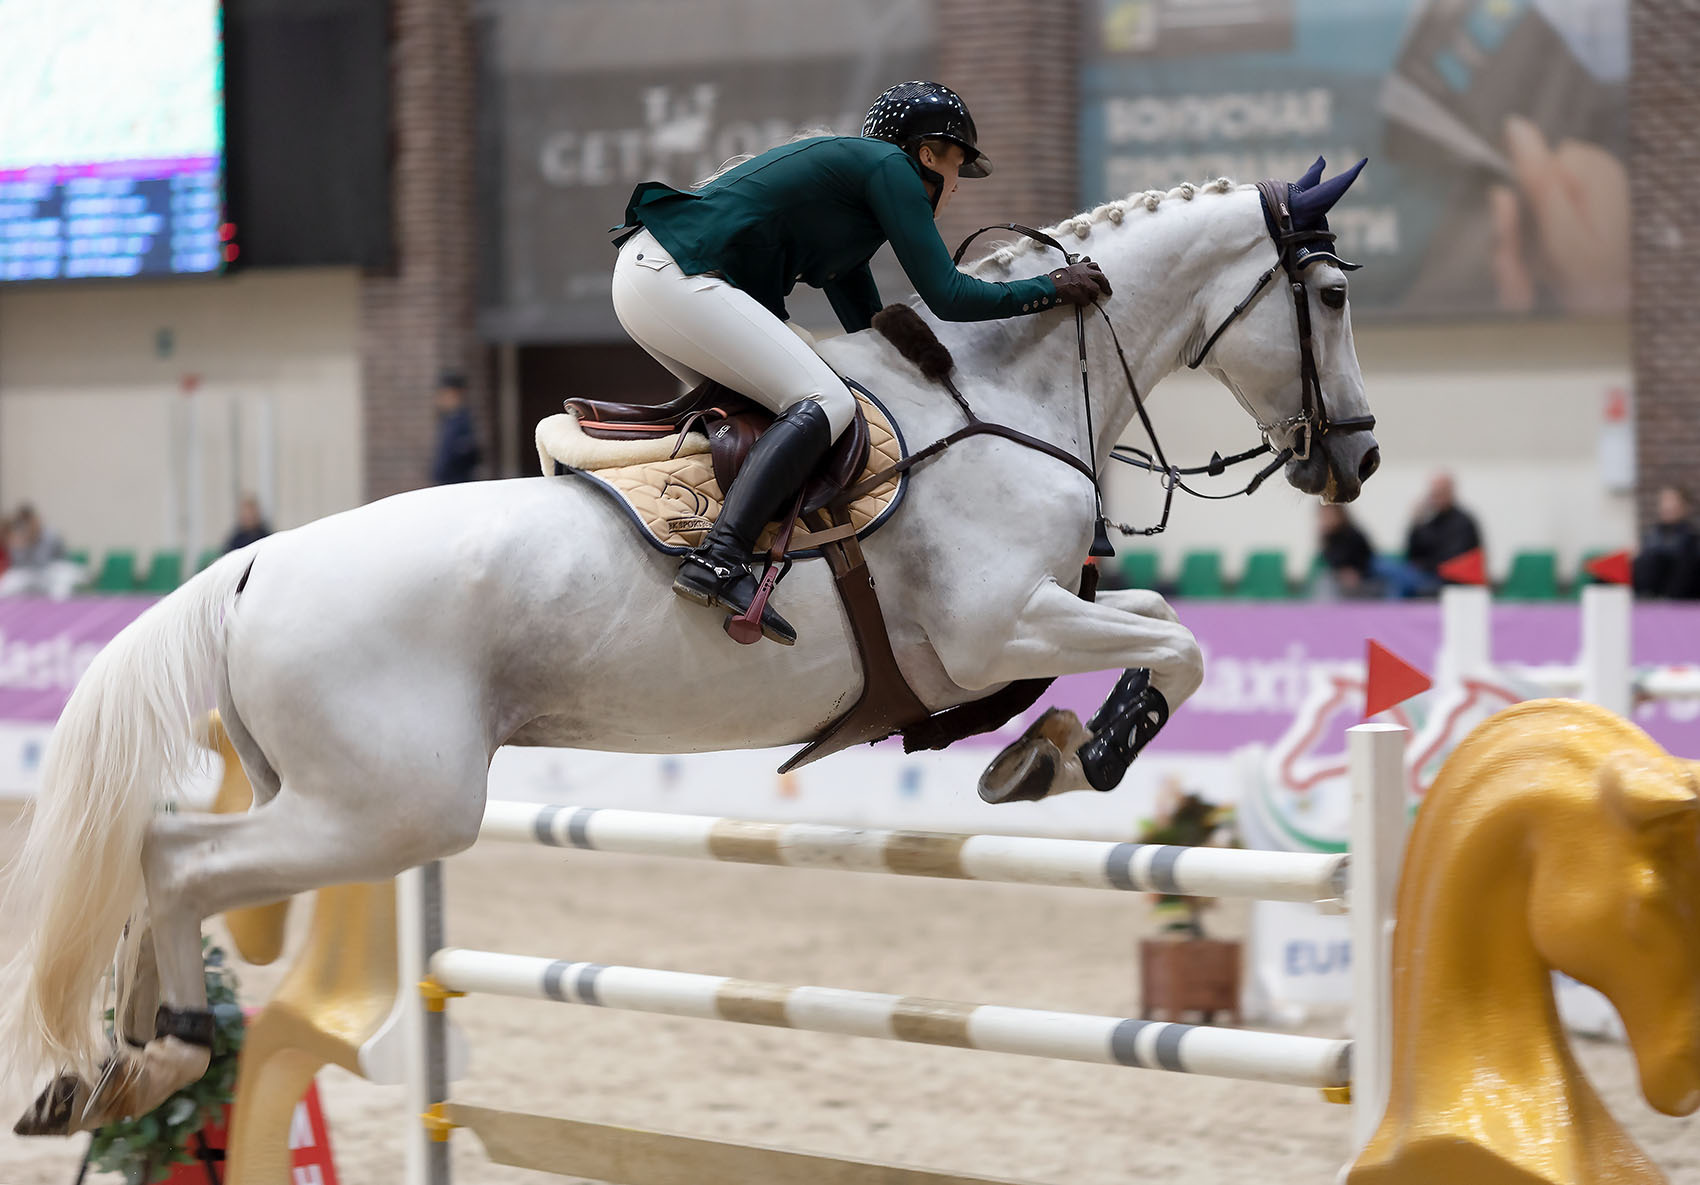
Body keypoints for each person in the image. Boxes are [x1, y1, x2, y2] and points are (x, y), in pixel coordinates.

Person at [610, 80, 1112, 645]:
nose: (956, 188)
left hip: (658, 277)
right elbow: (949, 295)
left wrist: (930, 365)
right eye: (956, 164)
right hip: (674, 277)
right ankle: (721, 558)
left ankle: (723, 539)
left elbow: (866, 328)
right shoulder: (889, 171)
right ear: (926, 154)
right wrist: (1051, 286)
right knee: (824, 400)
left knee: (809, 399)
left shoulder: (851, 208)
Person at [1380, 473, 1482, 599]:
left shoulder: (1462, 522)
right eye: (1434, 494)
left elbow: (1451, 558)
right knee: (1385, 567)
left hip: (1451, 579)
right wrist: (1416, 522)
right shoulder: (1433, 521)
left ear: (1450, 492)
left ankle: (1393, 614)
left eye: (1439, 493)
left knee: (1397, 576)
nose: (1435, 498)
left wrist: (1423, 565)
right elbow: (1413, 551)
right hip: (1431, 573)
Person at [1632, 485, 1700, 600]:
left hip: (1681, 596)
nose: (1668, 506)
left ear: (1685, 506)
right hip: (1650, 591)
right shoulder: (1651, 536)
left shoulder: (1691, 538)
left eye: (1672, 500)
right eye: (1664, 501)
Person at [1315, 503, 1377, 599]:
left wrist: (1356, 571)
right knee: (1325, 579)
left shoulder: (1352, 534)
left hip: (1364, 579)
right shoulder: (1328, 538)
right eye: (1323, 515)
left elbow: (1364, 557)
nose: (1326, 518)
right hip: (1340, 580)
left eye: (1329, 515)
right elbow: (1331, 561)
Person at [431, 370, 482, 484]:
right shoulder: (448, 420)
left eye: (443, 394)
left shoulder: (463, 422)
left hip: (457, 485)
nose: (440, 399)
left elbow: (471, 456)